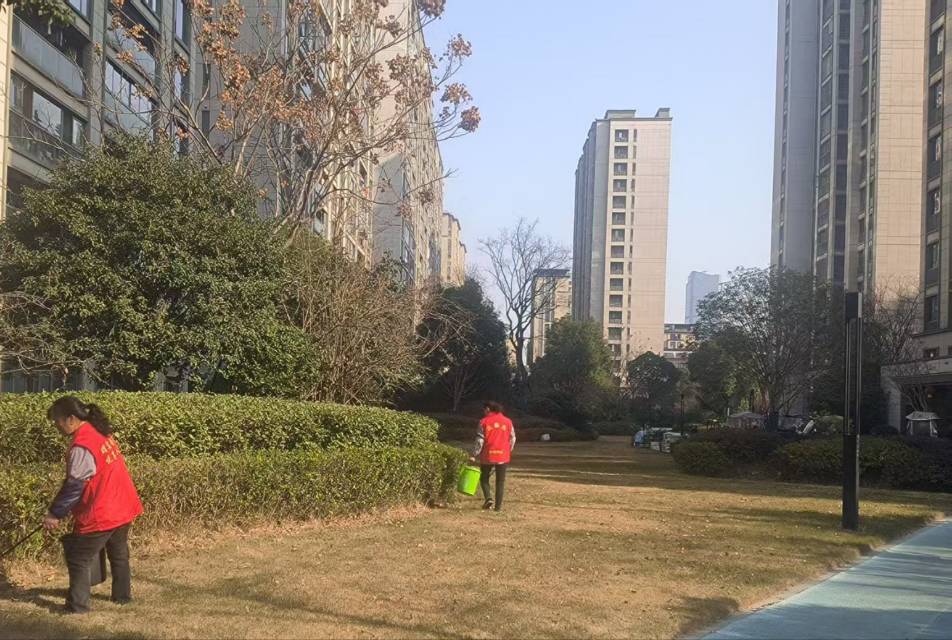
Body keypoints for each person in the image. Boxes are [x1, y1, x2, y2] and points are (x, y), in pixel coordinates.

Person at [43, 397, 143, 614]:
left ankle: (77, 606)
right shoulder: (99, 430)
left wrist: (54, 513)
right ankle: (122, 597)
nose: (56, 426)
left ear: (71, 418)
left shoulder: (82, 445)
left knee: (79, 557)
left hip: (103, 510)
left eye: (57, 421)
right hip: (122, 503)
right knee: (119, 553)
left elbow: (74, 486)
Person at [470, 401, 515, 512]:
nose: (483, 412)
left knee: (484, 478)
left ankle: (488, 498)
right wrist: (508, 450)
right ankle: (498, 508)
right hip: (503, 455)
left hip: (488, 454)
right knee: (500, 481)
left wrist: (474, 454)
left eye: (484, 409)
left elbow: (480, 440)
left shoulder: (483, 422)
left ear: (488, 409)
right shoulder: (508, 421)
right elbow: (512, 438)